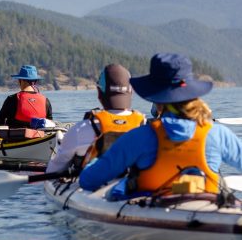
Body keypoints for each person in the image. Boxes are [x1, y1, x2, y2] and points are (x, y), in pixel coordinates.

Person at [79, 53, 242, 196]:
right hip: (209, 208)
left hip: (150, 214)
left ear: (156, 101)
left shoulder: (139, 136)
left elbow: (88, 181)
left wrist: (93, 162)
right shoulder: (219, 134)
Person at [47, 64, 145, 173]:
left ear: (99, 93)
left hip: (91, 184)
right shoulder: (145, 125)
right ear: (131, 93)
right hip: (135, 185)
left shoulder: (80, 130)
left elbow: (53, 171)